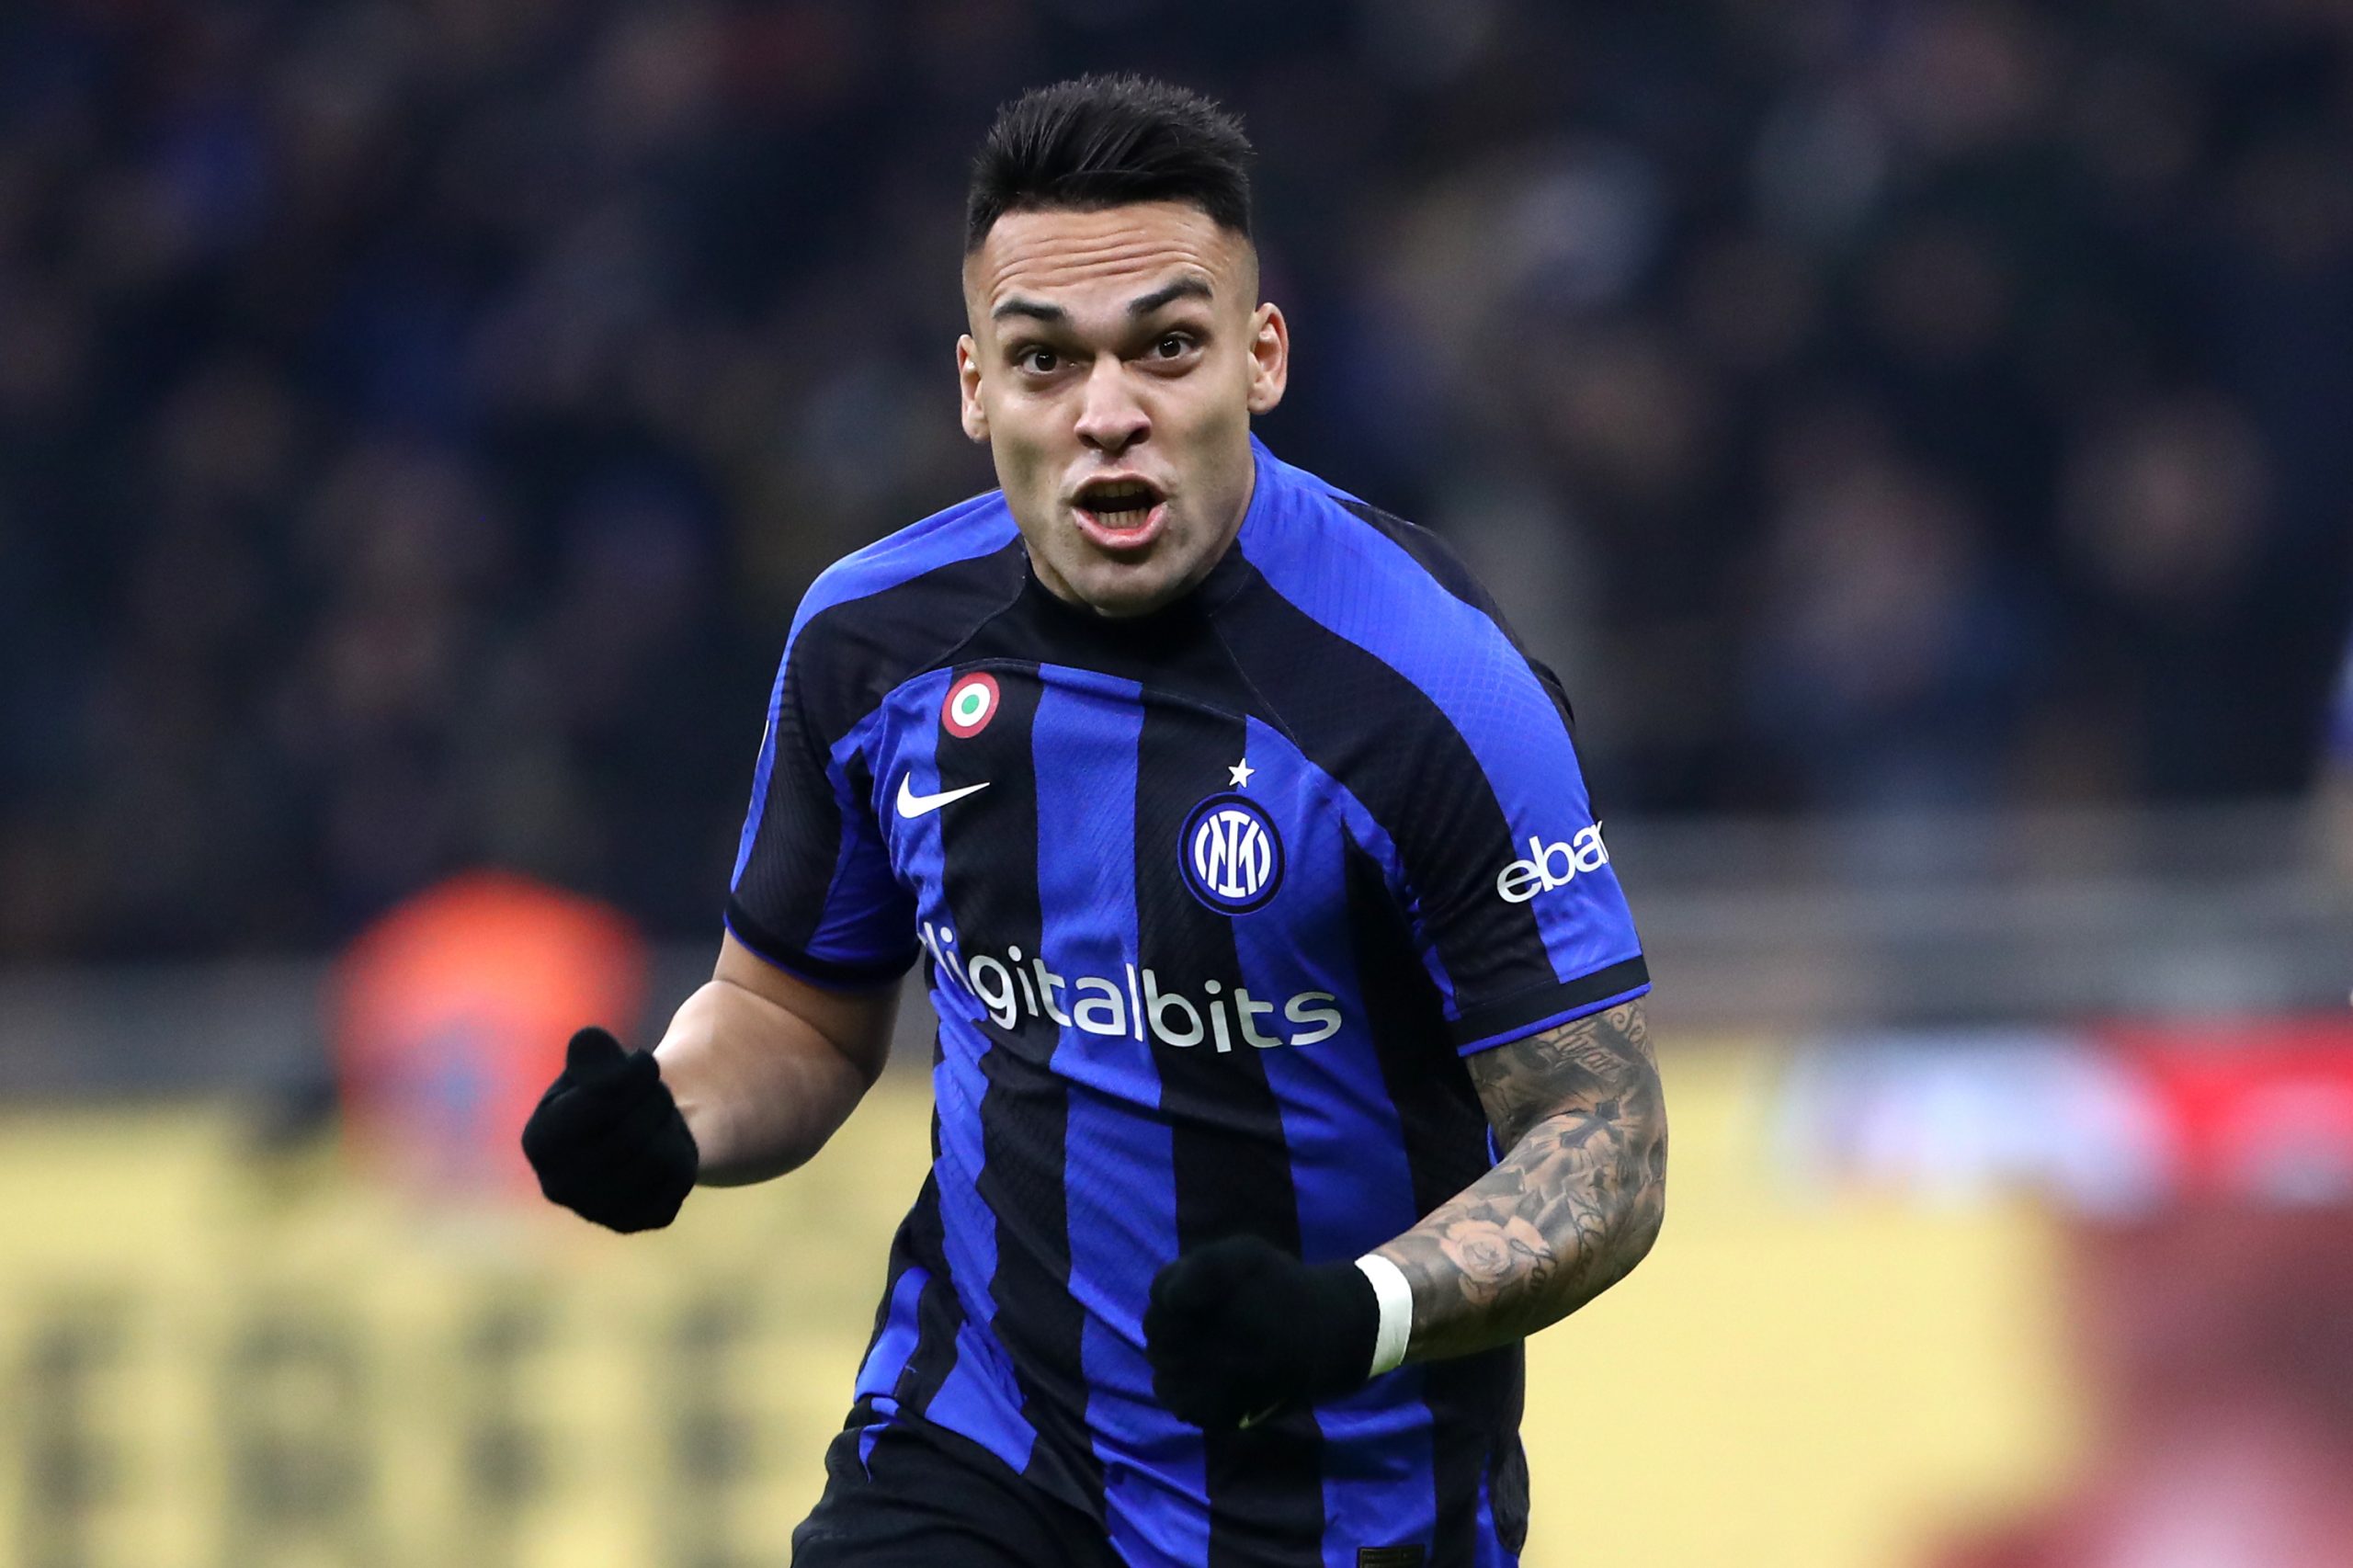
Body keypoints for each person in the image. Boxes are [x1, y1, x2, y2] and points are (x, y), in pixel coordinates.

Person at [521, 74, 1666, 1568]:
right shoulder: (870, 643)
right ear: (974, 386)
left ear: (1261, 357)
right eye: (1046, 360)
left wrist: (1357, 1310)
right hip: (981, 1453)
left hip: (1348, 1513)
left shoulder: (1433, 684)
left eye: (1166, 348)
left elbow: (1607, 1136)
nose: (1107, 412)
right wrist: (675, 1113)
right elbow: (794, 1017)